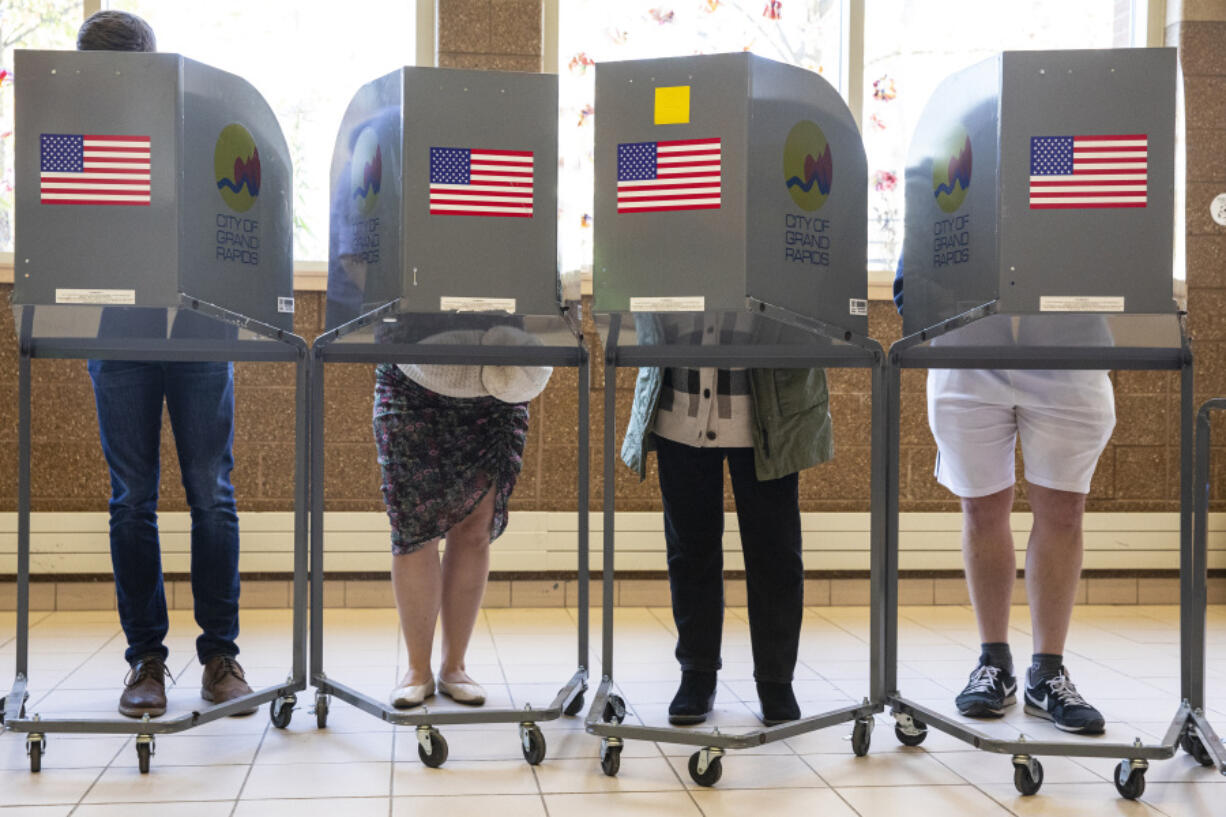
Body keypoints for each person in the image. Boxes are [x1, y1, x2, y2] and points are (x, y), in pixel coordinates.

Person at [78, 10, 256, 718]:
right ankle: (146, 660)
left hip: (199, 325)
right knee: (133, 499)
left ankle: (220, 656)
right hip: (117, 330)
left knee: (211, 492)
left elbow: (234, 213)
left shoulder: (198, 121)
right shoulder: (70, 132)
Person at [895, 260, 1110, 734]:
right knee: (981, 506)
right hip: (967, 339)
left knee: (1064, 510)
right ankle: (994, 664)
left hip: (1068, 337)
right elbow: (924, 231)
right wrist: (917, 302)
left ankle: (1047, 673)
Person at [621, 313, 833, 725]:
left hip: (768, 409)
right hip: (679, 404)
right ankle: (696, 674)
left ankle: (776, 680)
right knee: (690, 551)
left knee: (775, 555)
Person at [373, 320, 551, 708]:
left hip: (499, 377)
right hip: (413, 373)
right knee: (414, 527)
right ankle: (417, 670)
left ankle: (454, 667)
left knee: (476, 528)